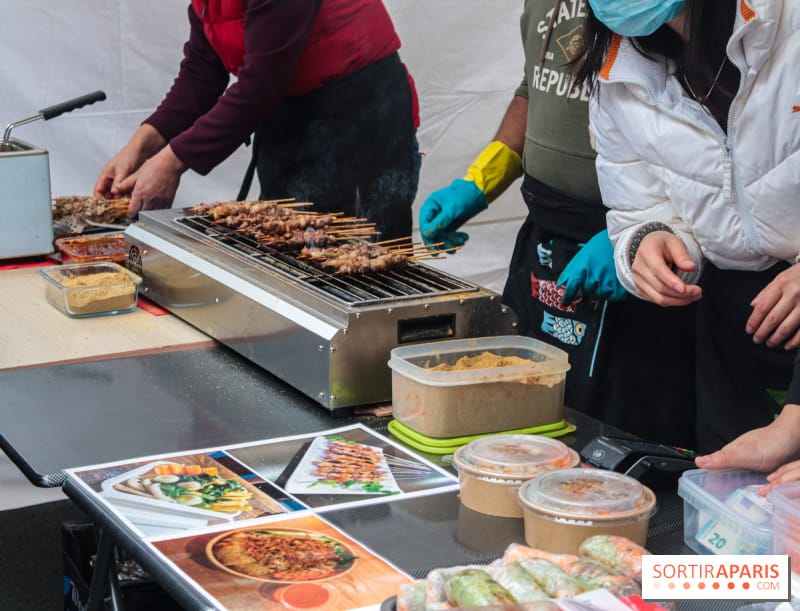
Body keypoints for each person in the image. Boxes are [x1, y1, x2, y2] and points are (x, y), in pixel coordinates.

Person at [418, 0, 696, 448]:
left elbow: (700, 119)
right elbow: (534, 86)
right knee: (524, 406)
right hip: (545, 235)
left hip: (634, 244)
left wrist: (638, 231)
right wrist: (482, 178)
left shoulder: (645, 8)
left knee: (618, 433)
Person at [573, 0, 800, 455]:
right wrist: (648, 241)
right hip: (735, 317)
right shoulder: (618, 69)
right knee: (735, 504)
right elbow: (638, 206)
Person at [94, 0, 420, 241]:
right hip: (291, 118)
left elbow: (260, 85)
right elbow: (201, 74)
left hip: (361, 121)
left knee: (357, 260)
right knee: (289, 254)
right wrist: (140, 145)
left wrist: (170, 163)